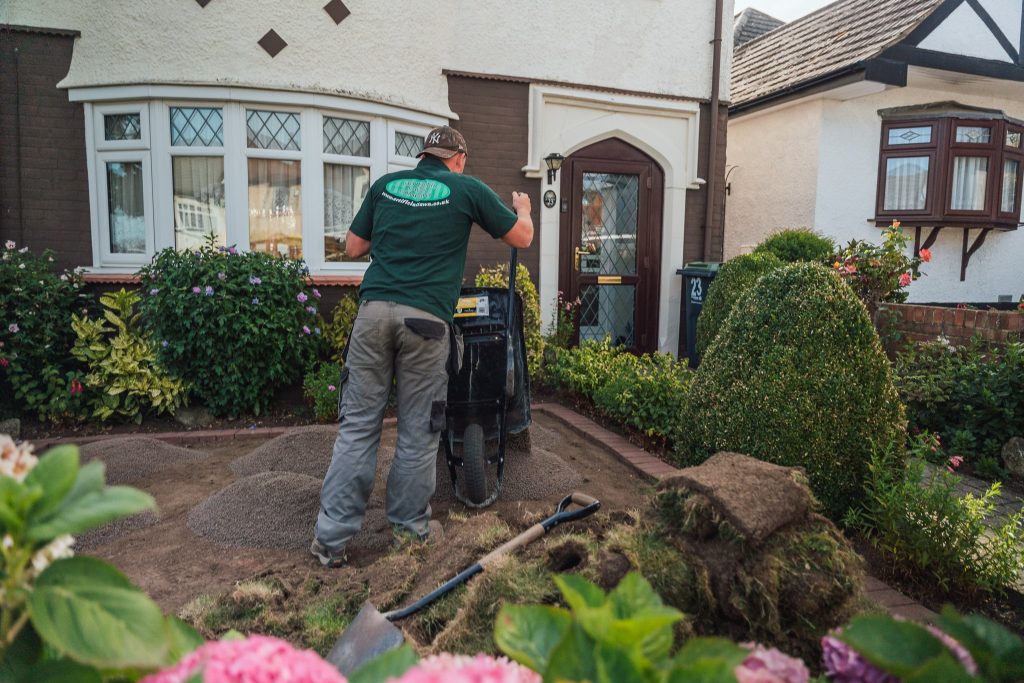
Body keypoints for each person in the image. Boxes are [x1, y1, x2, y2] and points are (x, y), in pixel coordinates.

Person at [311, 125, 534, 567]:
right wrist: (523, 209)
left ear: (423, 156)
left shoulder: (386, 185)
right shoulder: (464, 188)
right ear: (459, 158)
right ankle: (409, 532)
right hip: (426, 322)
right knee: (417, 431)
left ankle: (330, 542)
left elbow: (355, 246)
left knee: (356, 430)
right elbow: (520, 238)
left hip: (372, 317)